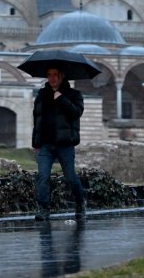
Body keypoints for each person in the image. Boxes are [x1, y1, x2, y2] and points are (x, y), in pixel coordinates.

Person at [32, 66, 87, 221]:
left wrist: (62, 98)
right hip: (46, 144)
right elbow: (37, 119)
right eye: (49, 75)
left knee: (70, 177)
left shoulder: (74, 94)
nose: (52, 78)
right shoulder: (42, 95)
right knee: (43, 176)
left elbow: (77, 112)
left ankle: (80, 203)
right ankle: (44, 209)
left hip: (65, 144)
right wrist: (35, 142)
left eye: (55, 75)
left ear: (62, 75)